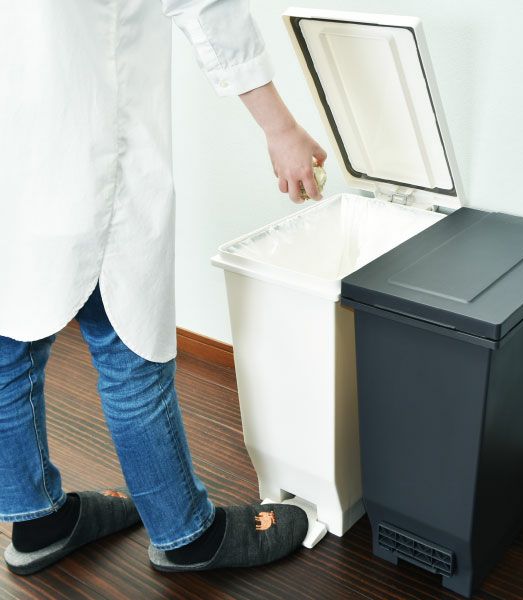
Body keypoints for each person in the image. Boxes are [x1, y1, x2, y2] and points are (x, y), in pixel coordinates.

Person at [0, 1, 326, 575]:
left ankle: (39, 521)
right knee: (127, 348)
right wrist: (279, 126)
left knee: (7, 348)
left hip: (17, 146)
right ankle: (187, 535)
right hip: (86, 145)